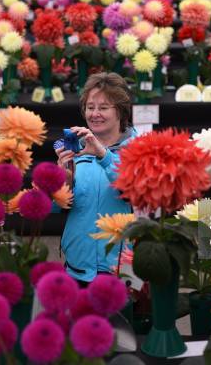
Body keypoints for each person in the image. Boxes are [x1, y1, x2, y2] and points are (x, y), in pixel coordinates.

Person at [55, 72, 137, 286]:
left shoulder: (138, 150)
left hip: (120, 268)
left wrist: (103, 155)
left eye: (103, 107)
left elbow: (132, 192)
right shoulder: (75, 150)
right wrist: (64, 181)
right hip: (77, 266)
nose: (95, 114)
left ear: (120, 111)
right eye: (90, 107)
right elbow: (61, 207)